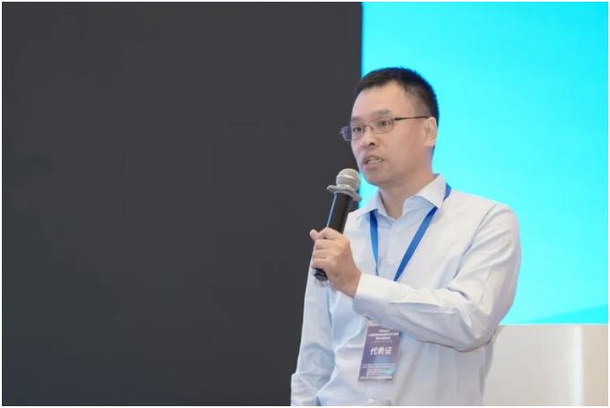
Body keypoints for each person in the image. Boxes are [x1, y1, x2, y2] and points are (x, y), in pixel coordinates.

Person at [291, 67, 521, 405]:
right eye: (357, 129)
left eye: (384, 123)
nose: (367, 140)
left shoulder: (486, 221)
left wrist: (358, 284)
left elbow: (470, 322)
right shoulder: (341, 233)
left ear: (428, 131)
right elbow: (314, 363)